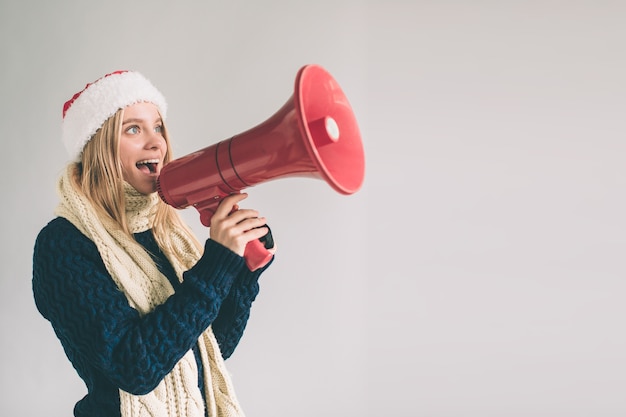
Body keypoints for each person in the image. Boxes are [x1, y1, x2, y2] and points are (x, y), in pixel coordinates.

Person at [32, 70, 275, 417]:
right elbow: (135, 368)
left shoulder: (165, 230)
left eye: (158, 127)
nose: (156, 142)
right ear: (98, 145)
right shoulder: (63, 244)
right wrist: (215, 263)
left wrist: (243, 273)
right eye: (133, 128)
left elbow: (207, 348)